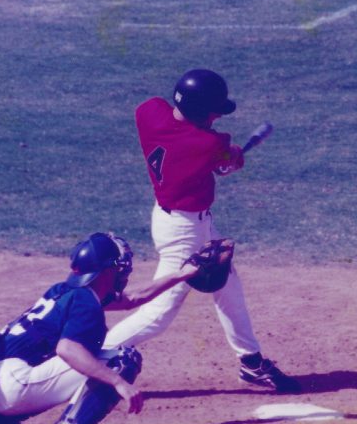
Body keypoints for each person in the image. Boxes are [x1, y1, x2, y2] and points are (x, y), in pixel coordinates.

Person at [102, 68, 301, 393]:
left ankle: (251, 363)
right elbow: (227, 160)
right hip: (184, 233)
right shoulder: (206, 143)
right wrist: (231, 159)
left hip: (179, 219)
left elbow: (215, 160)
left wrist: (223, 160)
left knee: (226, 283)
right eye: (213, 111)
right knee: (159, 312)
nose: (216, 117)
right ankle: (91, 358)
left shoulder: (149, 111)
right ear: (199, 111)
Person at [0, 232, 204, 424]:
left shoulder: (63, 291)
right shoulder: (85, 301)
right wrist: (118, 382)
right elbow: (67, 349)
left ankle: (0, 423)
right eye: (118, 267)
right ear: (105, 271)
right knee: (121, 360)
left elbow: (133, 297)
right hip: (11, 387)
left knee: (60, 357)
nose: (122, 273)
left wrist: (182, 274)